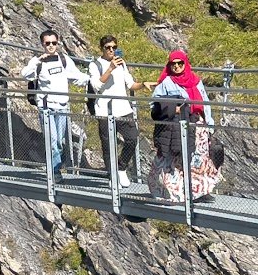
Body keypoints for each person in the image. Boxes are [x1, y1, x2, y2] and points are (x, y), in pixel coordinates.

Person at [149, 52, 215, 200]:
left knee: (198, 159)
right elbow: (155, 104)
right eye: (173, 64)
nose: (177, 66)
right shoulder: (166, 82)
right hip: (177, 126)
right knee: (174, 160)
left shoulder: (196, 81)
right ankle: (172, 191)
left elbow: (204, 102)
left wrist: (209, 124)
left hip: (198, 125)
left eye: (180, 63)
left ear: (185, 64)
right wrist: (173, 109)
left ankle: (199, 191)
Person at [20, 30, 85, 175]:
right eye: (47, 43)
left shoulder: (64, 59)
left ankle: (54, 167)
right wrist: (38, 60)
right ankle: (55, 173)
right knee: (52, 140)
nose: (51, 46)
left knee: (59, 142)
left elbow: (76, 76)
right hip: (46, 107)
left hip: (62, 107)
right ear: (42, 44)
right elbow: (25, 74)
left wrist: (94, 79)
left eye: (54, 43)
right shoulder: (37, 61)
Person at [86, 36, 141, 176]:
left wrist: (144, 84)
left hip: (123, 108)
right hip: (105, 110)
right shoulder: (95, 65)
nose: (111, 50)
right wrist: (110, 68)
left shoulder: (121, 63)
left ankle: (121, 167)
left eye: (114, 47)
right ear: (102, 48)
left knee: (132, 138)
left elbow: (130, 84)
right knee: (108, 145)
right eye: (108, 47)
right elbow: (97, 86)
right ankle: (112, 176)